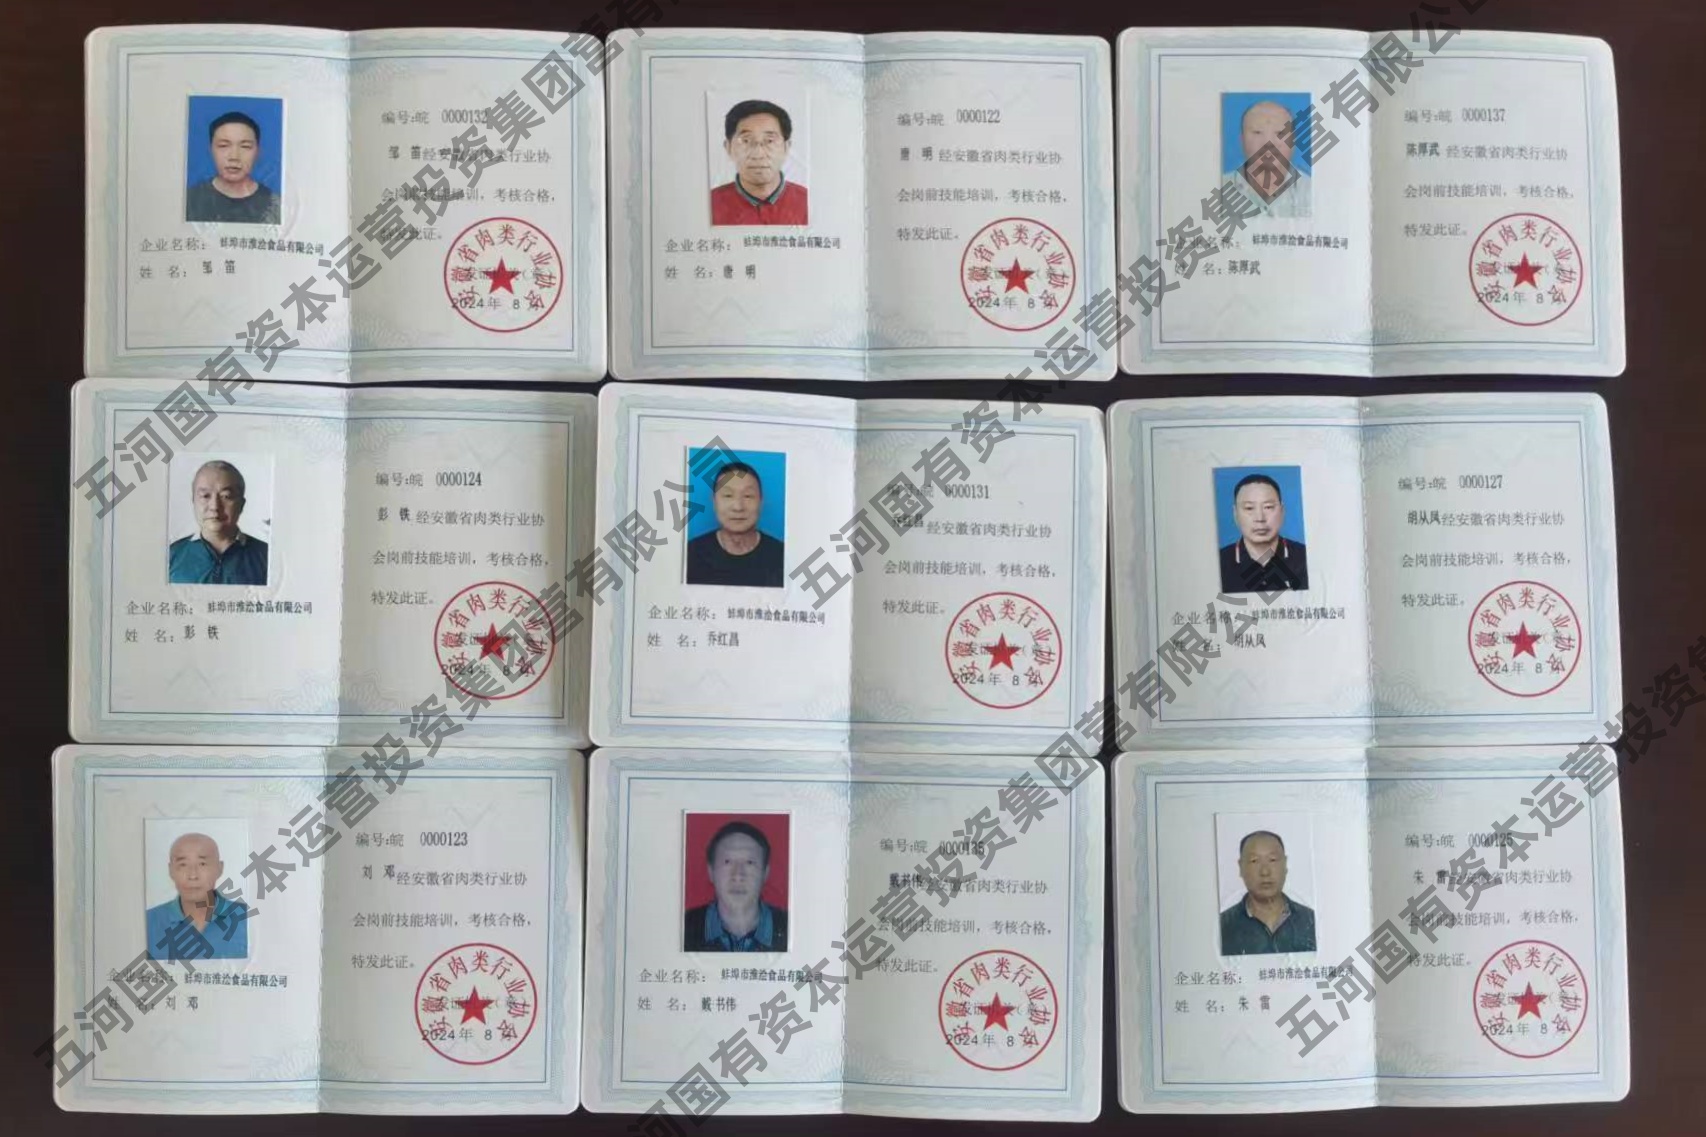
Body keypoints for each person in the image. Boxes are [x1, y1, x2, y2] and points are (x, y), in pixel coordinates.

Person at [683, 821, 789, 952]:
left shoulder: (792, 927)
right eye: (727, 862)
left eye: (750, 862)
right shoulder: (682, 926)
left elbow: (814, 963)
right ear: (711, 872)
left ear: (765, 873)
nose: (738, 875)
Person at [145, 832, 250, 960]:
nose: (193, 875)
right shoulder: (147, 922)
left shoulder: (247, 919)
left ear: (220, 868)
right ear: (171, 870)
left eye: (202, 864)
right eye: (183, 865)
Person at [168, 460, 270, 585]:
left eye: (226, 496)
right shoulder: (171, 555)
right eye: (205, 496)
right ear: (193, 501)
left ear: (241, 504)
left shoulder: (267, 556)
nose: (215, 506)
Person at [685, 461, 785, 587]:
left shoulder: (782, 556)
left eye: (748, 496)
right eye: (728, 495)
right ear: (714, 501)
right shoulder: (690, 554)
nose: (738, 507)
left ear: (761, 501)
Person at [710, 99, 809, 226]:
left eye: (769, 141)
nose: (758, 154)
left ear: (786, 147)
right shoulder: (709, 204)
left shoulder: (809, 202)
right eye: (746, 141)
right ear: (728, 147)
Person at [1219, 830, 1316, 955]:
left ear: (1285, 864)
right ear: (1241, 867)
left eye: (1272, 860)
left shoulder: (1311, 921)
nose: (1265, 872)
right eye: (1254, 861)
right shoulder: (1223, 927)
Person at [186, 110, 281, 224]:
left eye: (245, 146)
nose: (234, 156)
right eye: (223, 146)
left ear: (257, 152)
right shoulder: (189, 201)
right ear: (211, 150)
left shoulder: (275, 205)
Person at [1218, 473, 1308, 593]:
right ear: (1235, 514)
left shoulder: (1305, 557)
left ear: (1282, 511)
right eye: (1249, 508)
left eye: (1268, 507)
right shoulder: (1219, 562)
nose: (1260, 518)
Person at [1220, 99, 1311, 219]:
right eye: (1257, 132)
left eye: (1280, 133)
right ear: (1242, 139)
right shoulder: (1219, 187)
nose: (1269, 143)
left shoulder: (1312, 191)